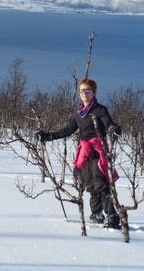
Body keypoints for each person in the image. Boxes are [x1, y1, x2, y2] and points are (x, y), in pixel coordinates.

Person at [37, 78, 122, 229]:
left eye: (88, 90)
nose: (84, 93)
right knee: (89, 183)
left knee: (100, 183)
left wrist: (113, 129)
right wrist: (47, 136)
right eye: (81, 90)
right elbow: (67, 130)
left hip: (98, 150)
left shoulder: (100, 110)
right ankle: (96, 214)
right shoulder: (79, 113)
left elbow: (109, 124)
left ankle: (112, 216)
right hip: (84, 152)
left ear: (94, 92)